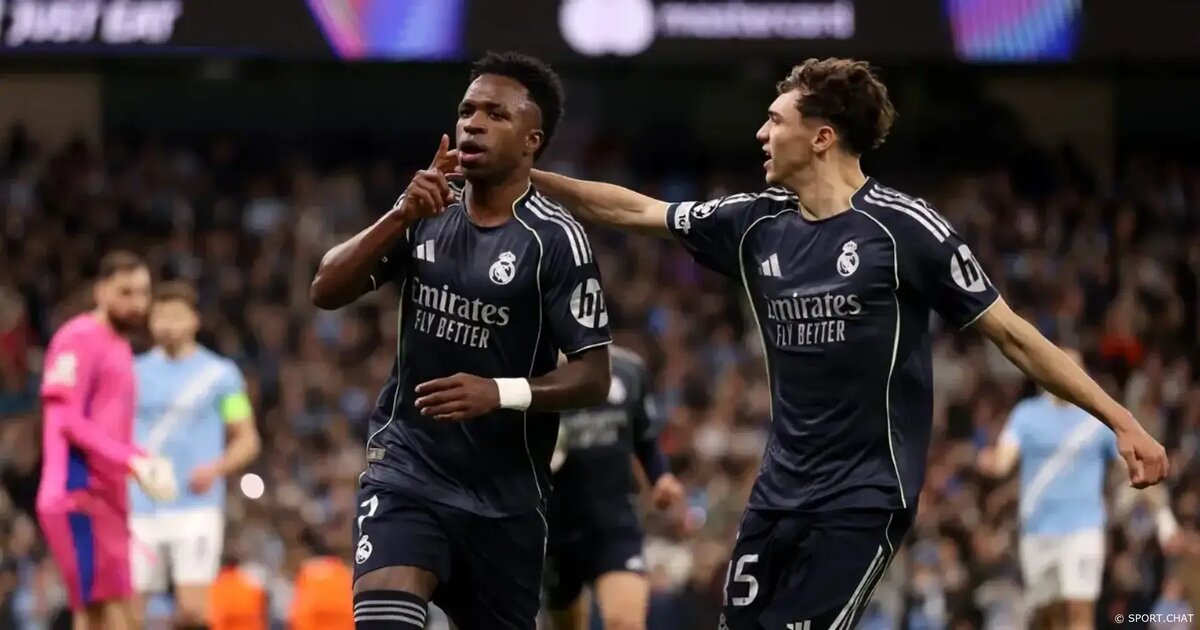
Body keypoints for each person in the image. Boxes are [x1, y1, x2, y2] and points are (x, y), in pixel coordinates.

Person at [529, 57, 1169, 629]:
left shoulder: (904, 229)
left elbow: (1015, 336)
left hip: (862, 499)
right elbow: (634, 210)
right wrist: (525, 180)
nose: (761, 134)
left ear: (821, 137)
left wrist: (1121, 419)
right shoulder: (754, 223)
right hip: (776, 495)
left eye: (775, 120)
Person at [310, 50, 613, 630]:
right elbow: (325, 289)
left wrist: (499, 392)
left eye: (496, 115)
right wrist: (399, 216)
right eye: (468, 110)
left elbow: (593, 376)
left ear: (531, 141)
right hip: (407, 472)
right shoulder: (428, 206)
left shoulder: (557, 241)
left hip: (506, 500)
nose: (473, 124)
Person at [978, 347, 1180, 630]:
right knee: (1045, 617)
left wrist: (1165, 518)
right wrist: (987, 461)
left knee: (1079, 610)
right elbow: (1003, 461)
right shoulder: (1026, 415)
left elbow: (1134, 469)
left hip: (1083, 528)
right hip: (1037, 529)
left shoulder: (1096, 420)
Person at [35, 250, 177, 629]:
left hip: (108, 499)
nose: (137, 303)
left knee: (116, 617)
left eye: (143, 293)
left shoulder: (120, 346)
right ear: (101, 291)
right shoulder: (78, 337)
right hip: (77, 491)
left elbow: (109, 427)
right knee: (101, 613)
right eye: (125, 292)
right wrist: (130, 460)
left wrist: (141, 458)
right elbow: (65, 419)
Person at [130, 281, 261, 629]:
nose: (168, 325)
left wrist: (215, 469)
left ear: (194, 320)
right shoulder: (131, 372)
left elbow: (247, 439)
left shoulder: (221, 376)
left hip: (195, 508)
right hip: (140, 507)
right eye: (160, 316)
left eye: (176, 316)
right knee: (130, 612)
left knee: (193, 612)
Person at [545, 345, 686, 630]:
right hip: (555, 528)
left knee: (626, 623)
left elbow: (645, 437)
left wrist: (661, 478)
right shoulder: (533, 374)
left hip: (615, 526)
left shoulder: (629, 369)